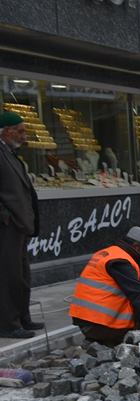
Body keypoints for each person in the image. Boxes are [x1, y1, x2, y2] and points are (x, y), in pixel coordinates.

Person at [69, 227, 140, 346]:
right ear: (137, 247)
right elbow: (138, 296)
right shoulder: (122, 261)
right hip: (101, 326)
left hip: (87, 324)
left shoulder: (108, 254)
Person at [0, 111, 42, 339]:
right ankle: (8, 323)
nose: (25, 135)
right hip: (8, 226)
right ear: (7, 132)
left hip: (20, 225)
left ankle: (23, 317)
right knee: (8, 276)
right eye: (21, 131)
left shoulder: (11, 153)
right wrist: (6, 217)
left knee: (22, 275)